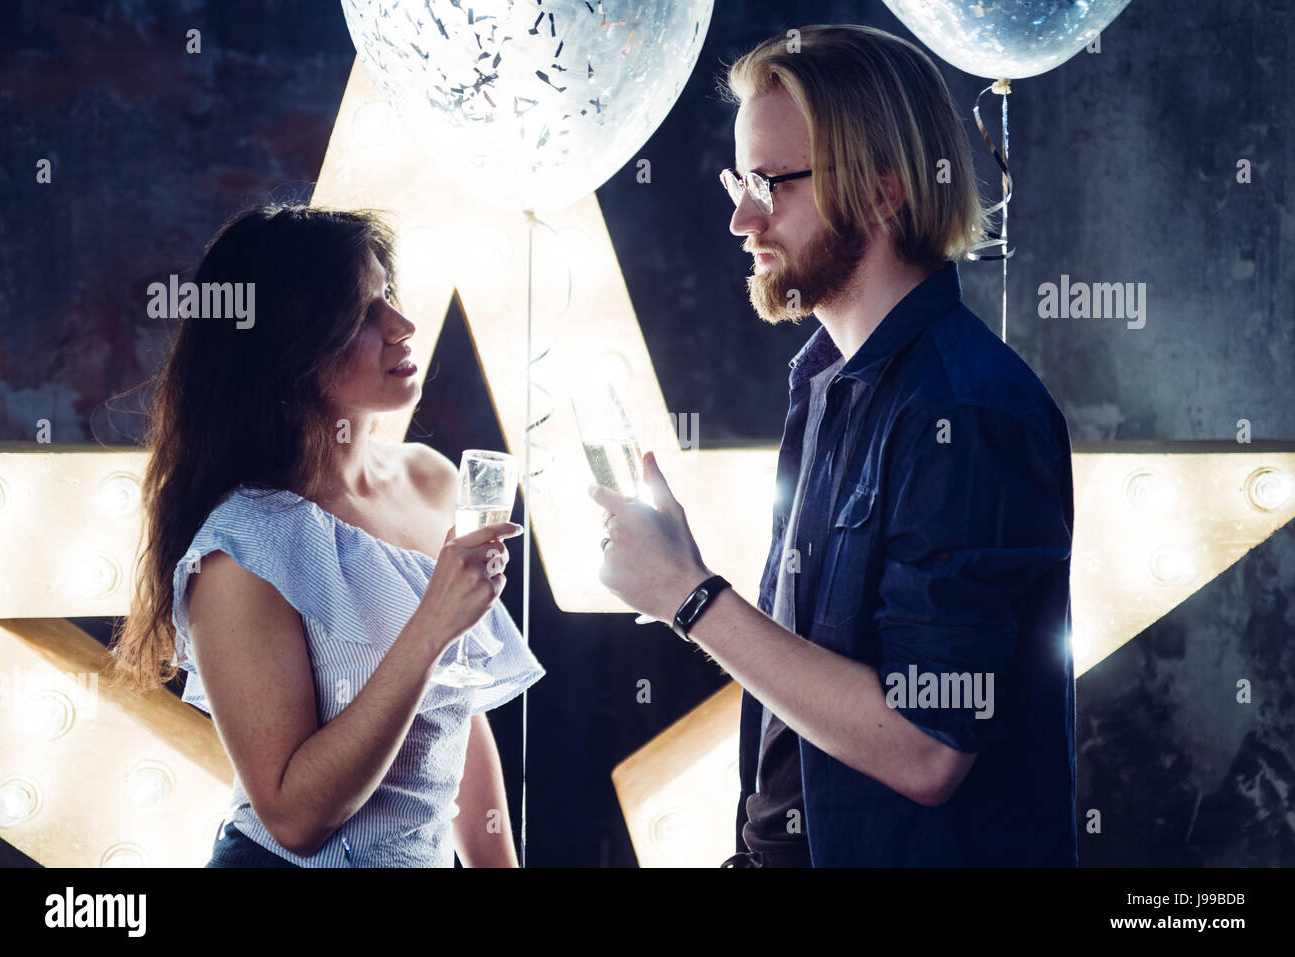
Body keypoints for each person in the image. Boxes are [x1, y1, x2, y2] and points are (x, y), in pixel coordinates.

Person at [591, 24, 1077, 866]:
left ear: (886, 190)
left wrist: (690, 596)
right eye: (738, 180)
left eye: (771, 183)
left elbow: (929, 746)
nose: (743, 217)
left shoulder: (967, 413)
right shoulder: (823, 383)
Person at [109, 203, 543, 867]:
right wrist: (431, 623)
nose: (403, 326)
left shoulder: (431, 480)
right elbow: (294, 816)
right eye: (365, 311)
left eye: (389, 294)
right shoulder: (244, 548)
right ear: (289, 345)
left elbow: (454, 709)